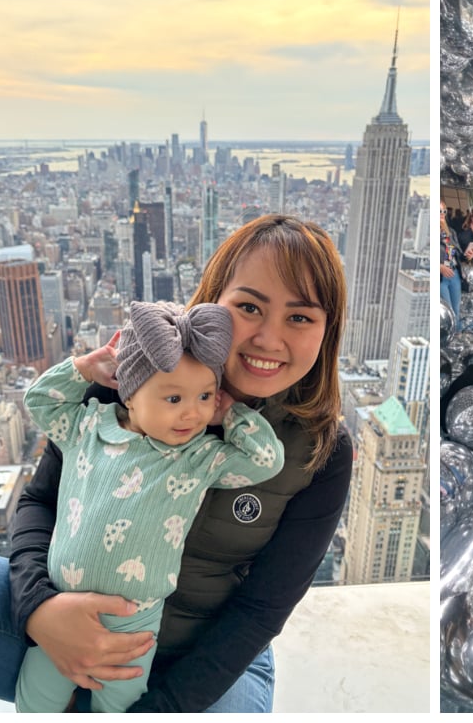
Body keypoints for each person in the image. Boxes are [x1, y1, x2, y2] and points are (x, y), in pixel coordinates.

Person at [0, 214, 353, 712]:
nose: (269, 339)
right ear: (212, 301)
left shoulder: (322, 451)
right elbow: (38, 500)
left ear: (326, 330)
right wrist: (39, 609)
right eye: (249, 307)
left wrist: (155, 710)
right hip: (63, 611)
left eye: (299, 317)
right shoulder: (134, 376)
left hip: (203, 659)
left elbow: (260, 610)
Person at [14, 301, 285, 712]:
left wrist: (229, 412)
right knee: (35, 701)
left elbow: (267, 460)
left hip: (135, 618)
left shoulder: (200, 457)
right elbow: (39, 401)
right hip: (58, 602)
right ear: (130, 392)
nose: (192, 412)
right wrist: (87, 366)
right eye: (173, 397)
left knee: (120, 705)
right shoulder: (87, 426)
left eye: (205, 395)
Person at [439, 201, 463, 330]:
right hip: (441, 277)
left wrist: (466, 254)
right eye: (439, 211)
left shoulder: (450, 232)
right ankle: (450, 336)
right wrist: (439, 267)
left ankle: (457, 337)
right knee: (447, 311)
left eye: (444, 211)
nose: (442, 214)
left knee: (456, 309)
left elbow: (454, 250)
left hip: (453, 273)